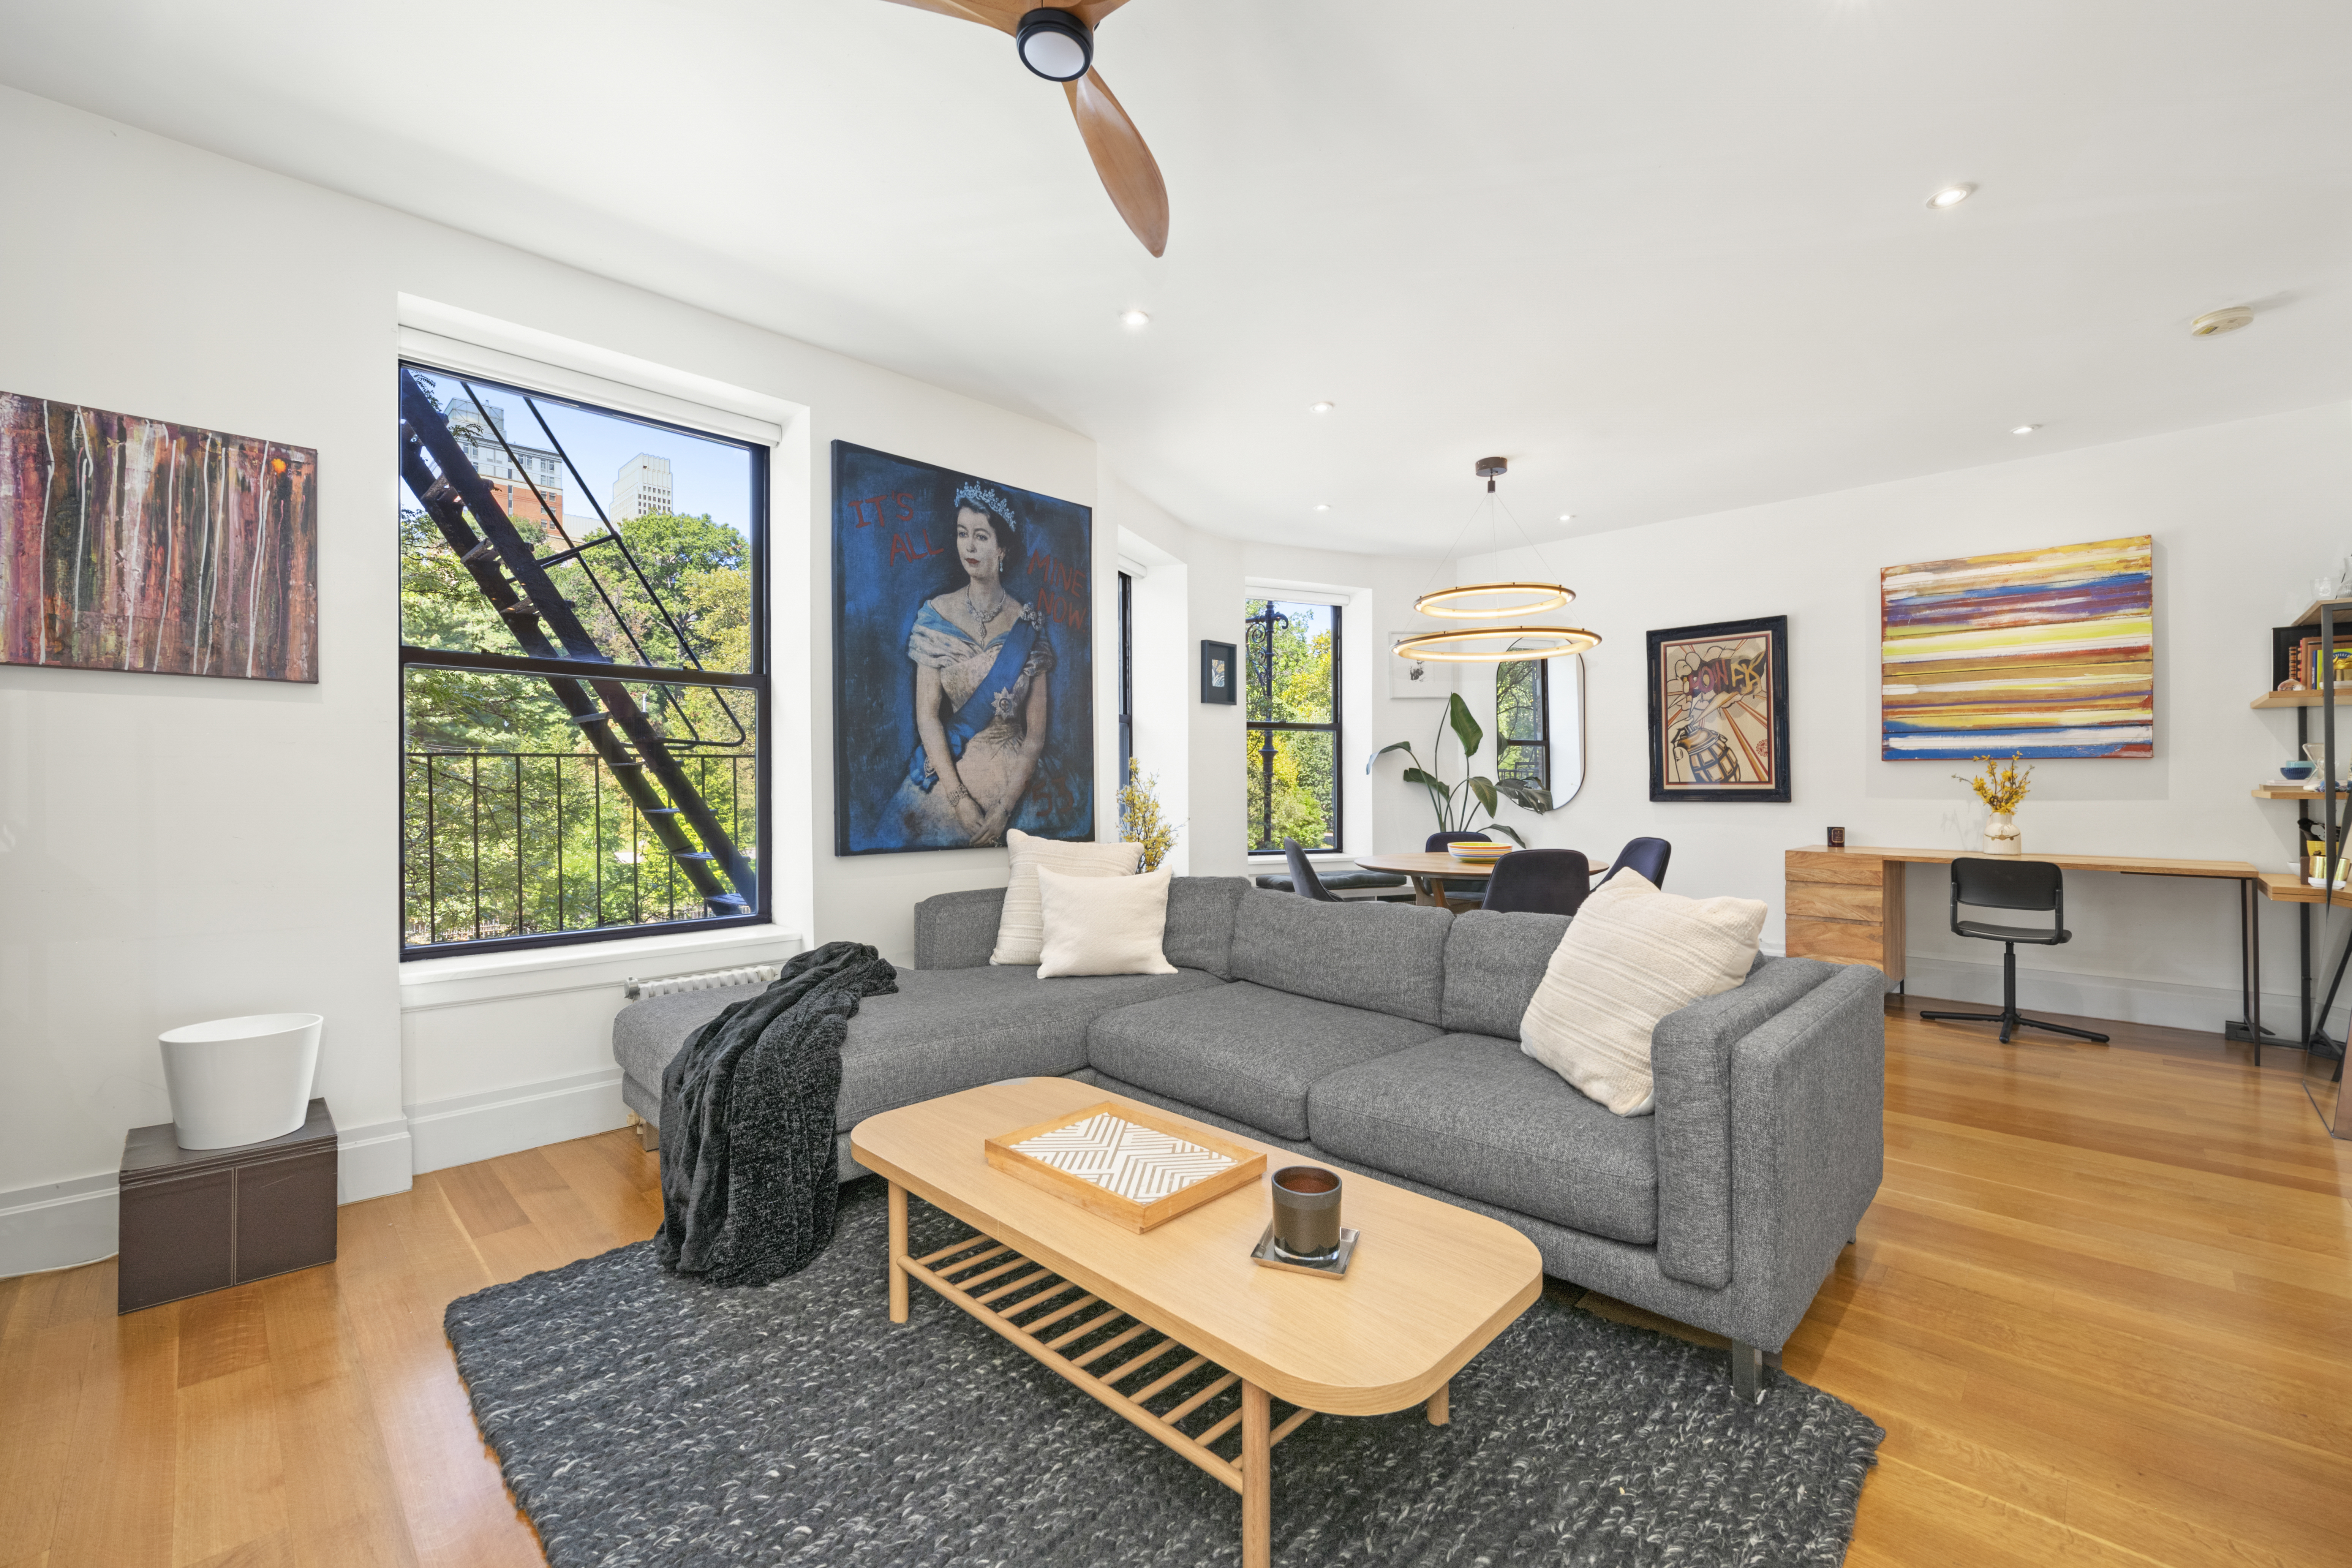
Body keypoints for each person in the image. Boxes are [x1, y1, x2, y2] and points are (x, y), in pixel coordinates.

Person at [890, 481, 1061, 847]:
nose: (969, 546)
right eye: (962, 534)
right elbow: (927, 716)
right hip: (952, 773)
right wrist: (959, 800)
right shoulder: (936, 615)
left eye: (981, 537)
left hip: (1016, 778)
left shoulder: (1027, 625)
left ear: (1002, 548)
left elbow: (1036, 737)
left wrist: (1003, 810)